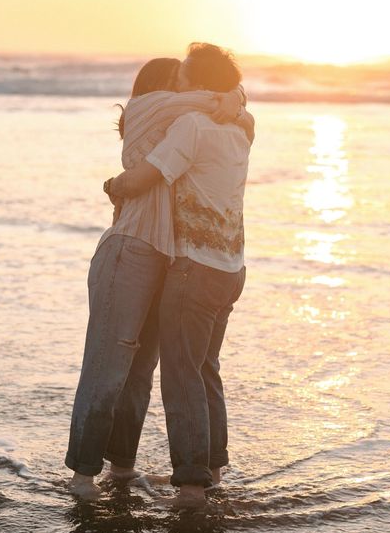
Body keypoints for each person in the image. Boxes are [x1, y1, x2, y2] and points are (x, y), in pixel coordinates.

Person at [65, 53, 254, 500]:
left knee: (140, 371)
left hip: (166, 259)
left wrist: (236, 99)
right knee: (107, 366)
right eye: (176, 83)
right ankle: (81, 475)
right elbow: (221, 104)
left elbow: (232, 112)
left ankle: (122, 468)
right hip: (128, 251)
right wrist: (233, 96)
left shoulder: (191, 117)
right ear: (160, 87)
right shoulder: (151, 107)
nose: (183, 92)